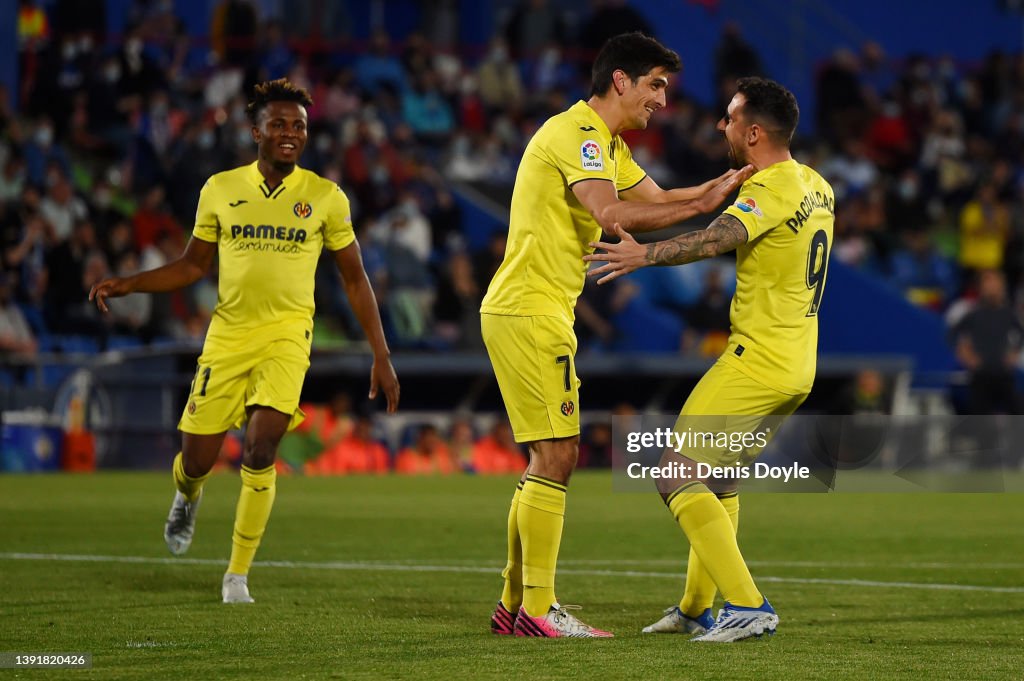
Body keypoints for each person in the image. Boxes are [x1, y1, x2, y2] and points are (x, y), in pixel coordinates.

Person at [480, 32, 752, 639]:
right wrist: (696, 209)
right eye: (655, 84)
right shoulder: (577, 135)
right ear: (621, 80)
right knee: (558, 455)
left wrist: (713, 192)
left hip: (534, 307)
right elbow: (612, 214)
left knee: (543, 459)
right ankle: (538, 608)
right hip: (529, 309)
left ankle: (513, 601)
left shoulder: (605, 143)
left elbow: (655, 197)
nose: (662, 99)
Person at [89, 78, 400, 603]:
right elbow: (193, 265)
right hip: (227, 337)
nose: (289, 134)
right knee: (197, 461)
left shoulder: (325, 198)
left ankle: (237, 575)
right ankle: (186, 495)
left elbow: (354, 278)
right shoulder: (220, 189)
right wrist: (131, 283)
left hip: (287, 337)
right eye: (278, 124)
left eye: (298, 125)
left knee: (260, 448)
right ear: (255, 130)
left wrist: (381, 353)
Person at [585, 77, 834, 642]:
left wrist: (643, 253)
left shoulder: (769, 188)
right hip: (798, 362)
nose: (720, 126)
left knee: (674, 473)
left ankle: (748, 605)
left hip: (758, 360)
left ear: (752, 132)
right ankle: (697, 606)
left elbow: (716, 239)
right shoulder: (818, 185)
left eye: (728, 118)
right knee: (717, 482)